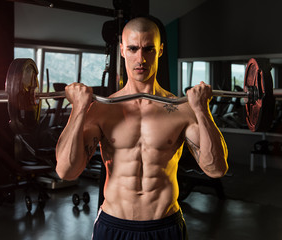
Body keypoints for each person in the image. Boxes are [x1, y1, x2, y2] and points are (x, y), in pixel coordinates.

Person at [55, 16, 228, 240]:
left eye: (148, 49)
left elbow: (216, 169)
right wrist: (78, 109)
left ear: (160, 50)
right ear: (122, 50)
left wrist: (202, 110)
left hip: (165, 227)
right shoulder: (102, 110)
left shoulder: (182, 109)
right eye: (133, 48)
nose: (140, 58)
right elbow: (66, 172)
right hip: (113, 225)